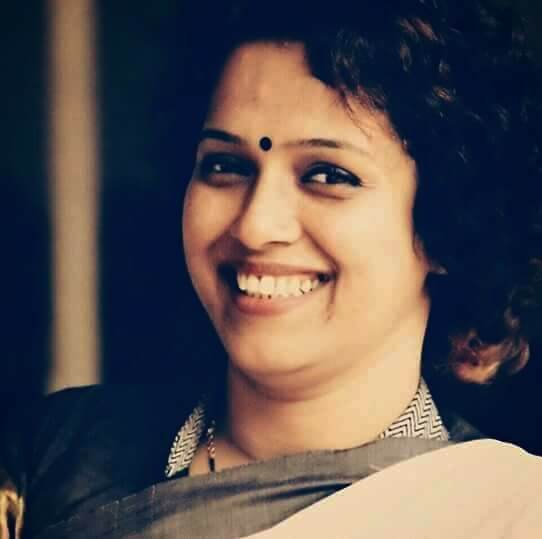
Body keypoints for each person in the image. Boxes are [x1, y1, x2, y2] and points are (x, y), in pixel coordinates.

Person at [2, 0, 542, 537]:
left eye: (328, 175)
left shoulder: (500, 516)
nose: (255, 226)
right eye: (226, 165)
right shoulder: (56, 456)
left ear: (448, 226)